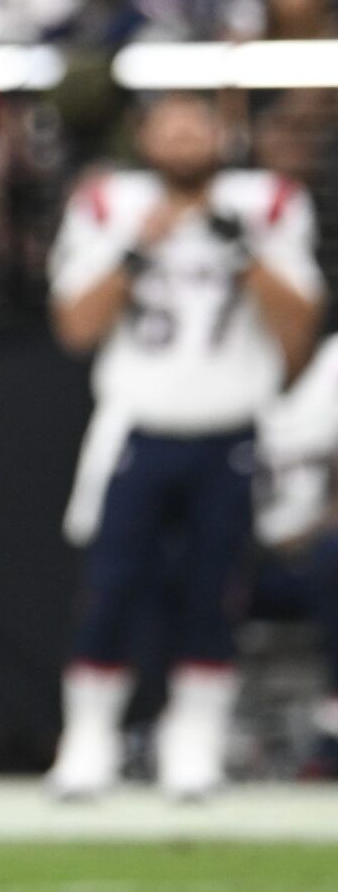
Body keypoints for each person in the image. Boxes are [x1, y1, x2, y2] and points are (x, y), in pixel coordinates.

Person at [49, 93, 327, 801]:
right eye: (167, 125)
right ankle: (89, 741)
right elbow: (75, 327)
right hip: (137, 427)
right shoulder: (111, 203)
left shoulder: (265, 205)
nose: (181, 138)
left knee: (214, 595)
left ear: (221, 135)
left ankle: (192, 743)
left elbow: (300, 328)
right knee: (110, 591)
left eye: (195, 124)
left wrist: (245, 253)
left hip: (230, 429)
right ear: (142, 136)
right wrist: (138, 250)